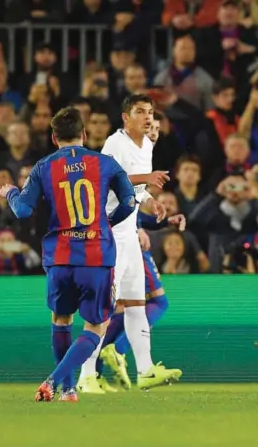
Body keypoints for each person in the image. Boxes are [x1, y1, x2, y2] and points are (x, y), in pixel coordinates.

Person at [0, 107, 137, 402]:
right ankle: (55, 381)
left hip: (60, 256)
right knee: (96, 326)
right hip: (96, 254)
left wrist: (10, 191)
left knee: (61, 319)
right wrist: (108, 221)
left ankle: (69, 390)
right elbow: (129, 200)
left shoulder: (44, 166)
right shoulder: (106, 164)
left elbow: (22, 211)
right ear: (84, 134)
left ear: (53, 137)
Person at [77, 94, 181, 392]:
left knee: (137, 304)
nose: (147, 117)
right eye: (139, 112)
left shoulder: (146, 144)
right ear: (126, 117)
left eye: (150, 112)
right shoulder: (115, 143)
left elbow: (132, 189)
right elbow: (106, 180)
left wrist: (151, 201)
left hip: (129, 232)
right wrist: (147, 178)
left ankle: (146, 370)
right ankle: (86, 377)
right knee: (104, 307)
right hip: (109, 233)